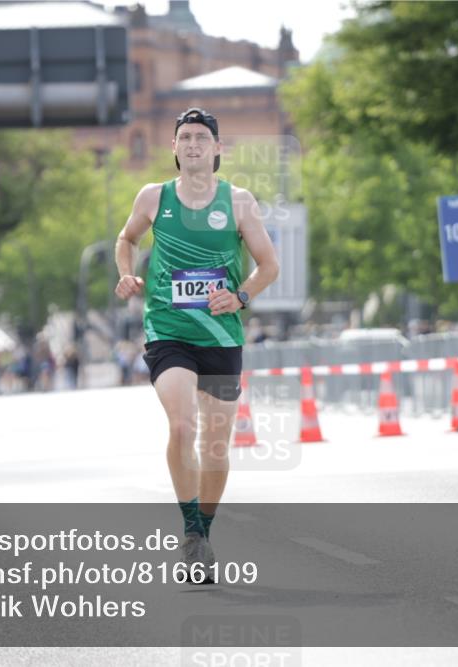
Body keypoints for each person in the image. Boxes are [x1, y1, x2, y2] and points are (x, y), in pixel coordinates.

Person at [114, 107, 279, 582]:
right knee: (183, 424)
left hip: (221, 336)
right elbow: (126, 239)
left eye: (201, 138)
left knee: (216, 445)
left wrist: (241, 296)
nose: (192, 144)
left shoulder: (240, 202)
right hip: (169, 331)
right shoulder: (153, 196)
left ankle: (203, 530)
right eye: (184, 137)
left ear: (217, 148)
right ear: (173, 147)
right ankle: (190, 531)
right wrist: (126, 273)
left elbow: (269, 266)